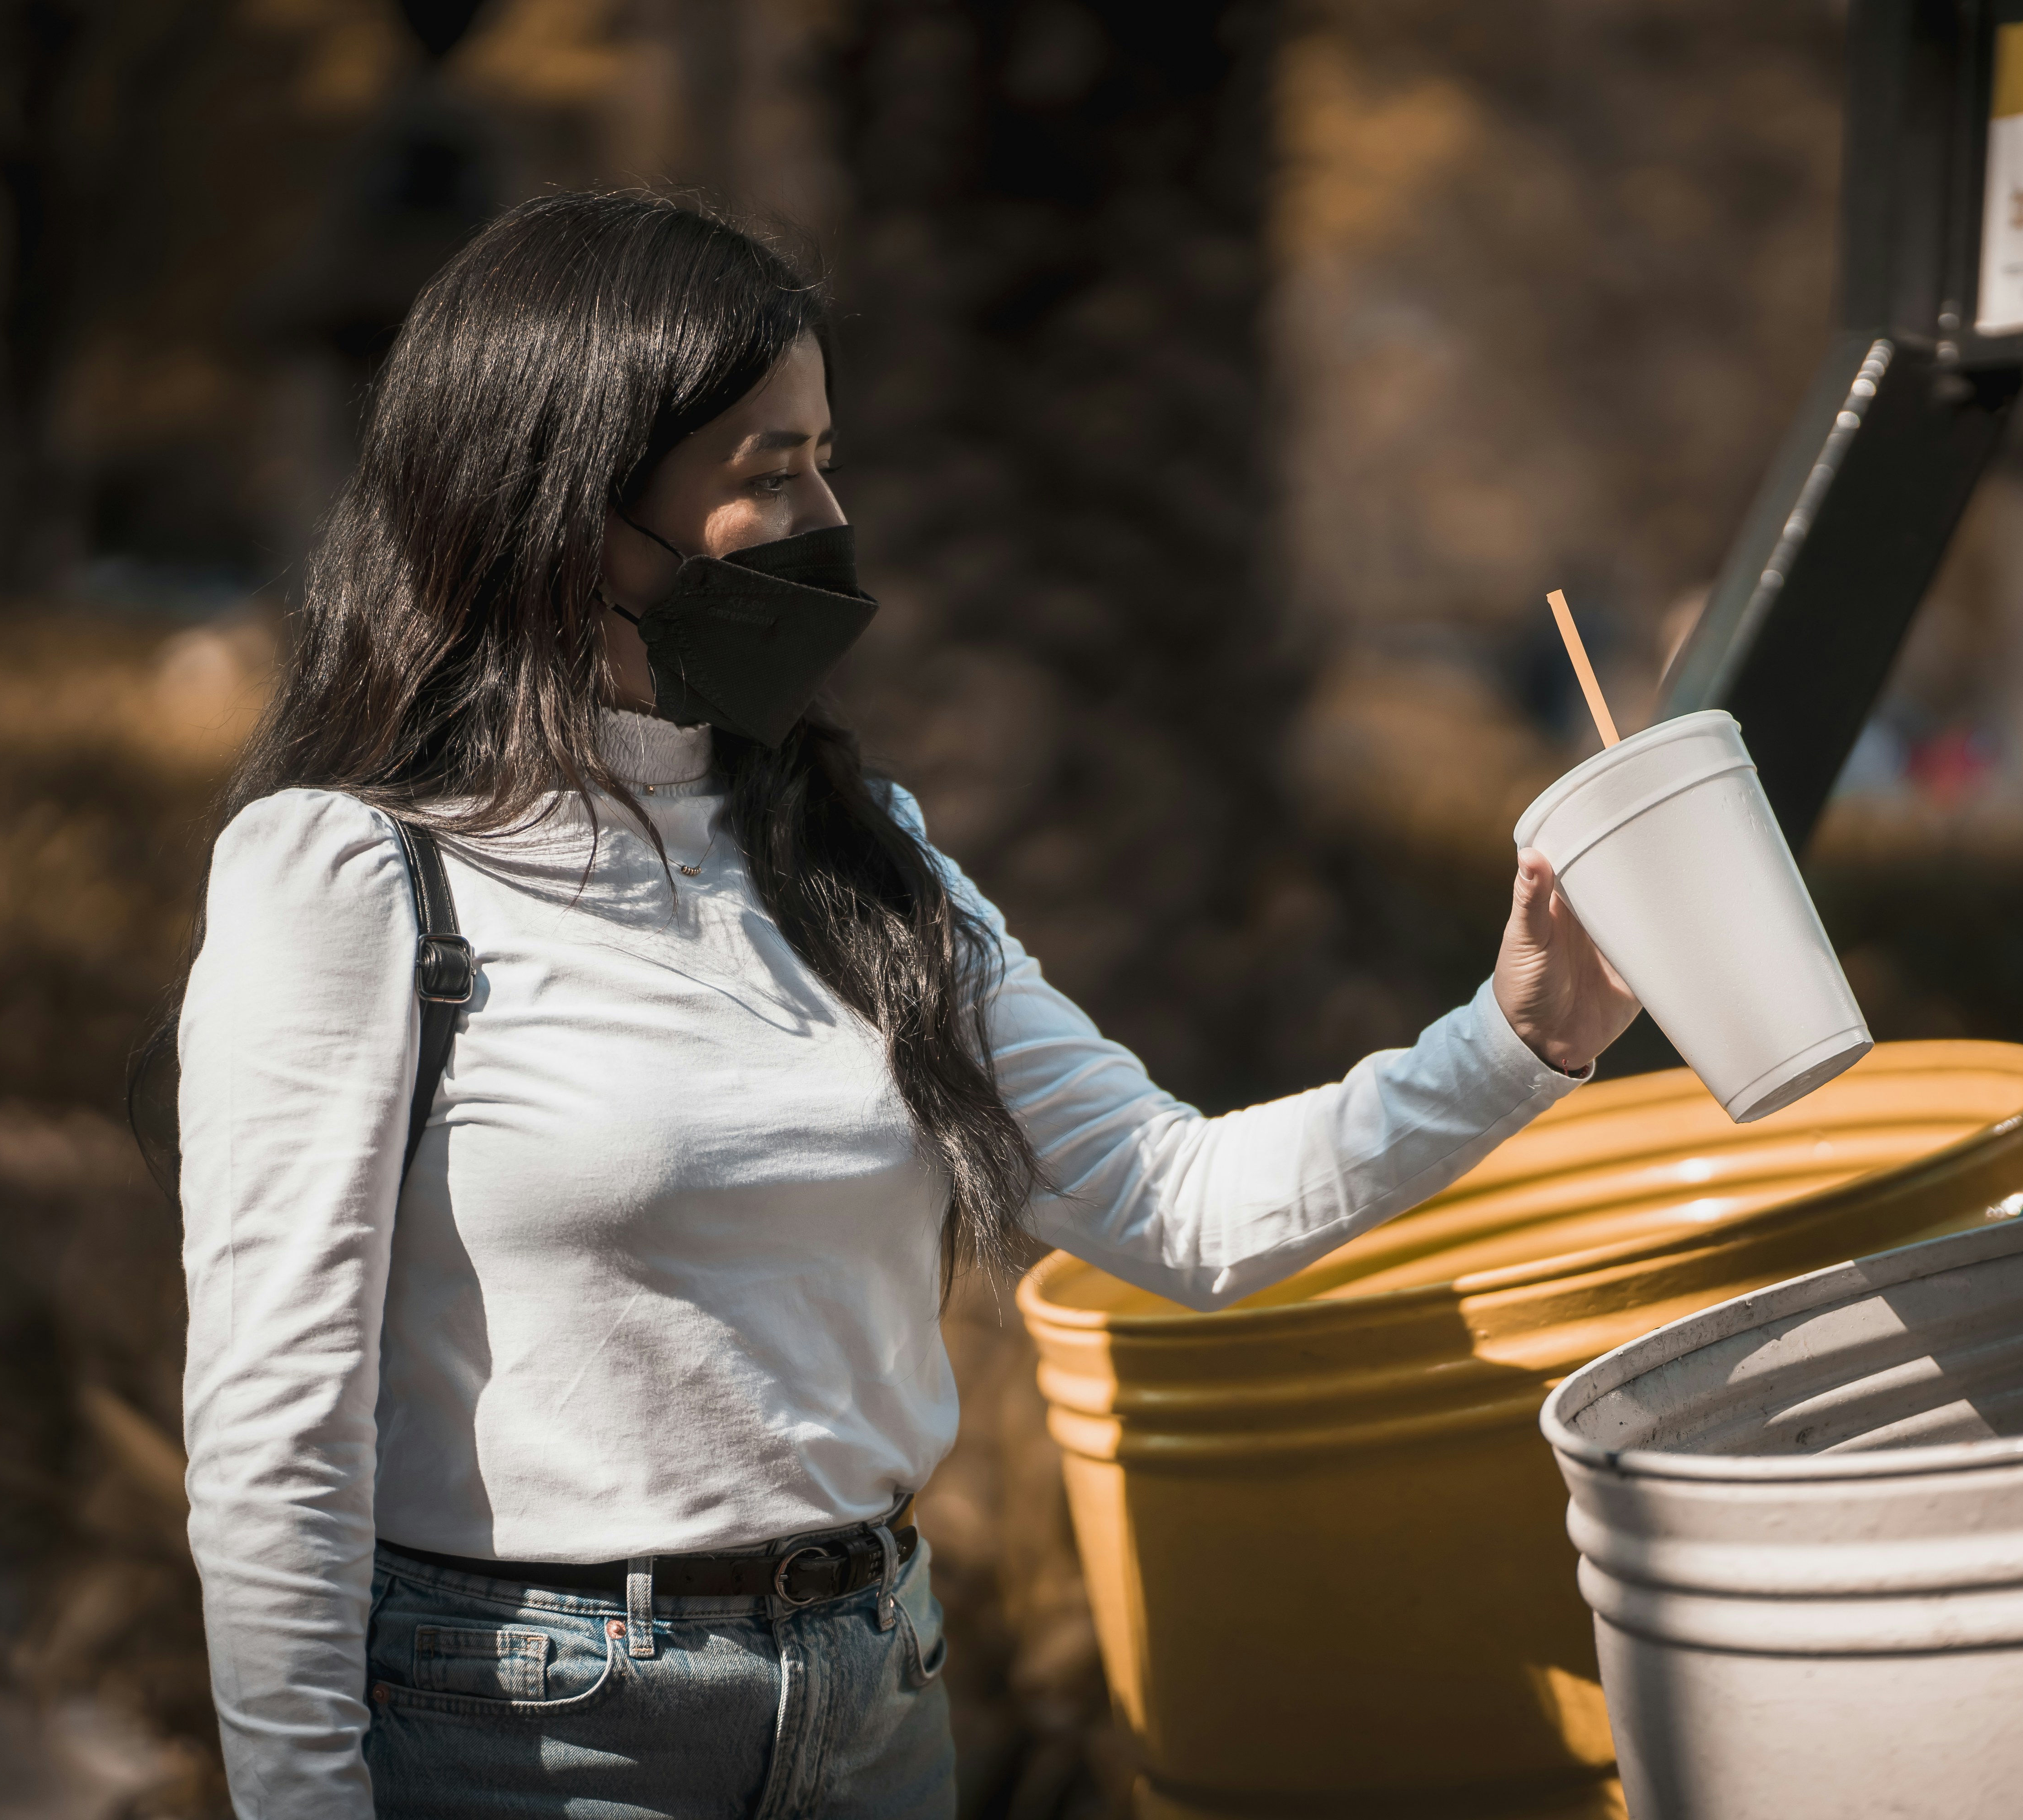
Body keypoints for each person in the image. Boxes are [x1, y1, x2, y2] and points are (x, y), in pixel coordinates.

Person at [178, 189, 1635, 1820]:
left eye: (827, 455)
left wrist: (1524, 1034)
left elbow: (1179, 1204)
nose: (828, 513)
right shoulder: (350, 878)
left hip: (877, 1702)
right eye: (770, 471)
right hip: (528, 1732)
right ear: (567, 504)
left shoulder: (869, 865)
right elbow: (276, 1425)